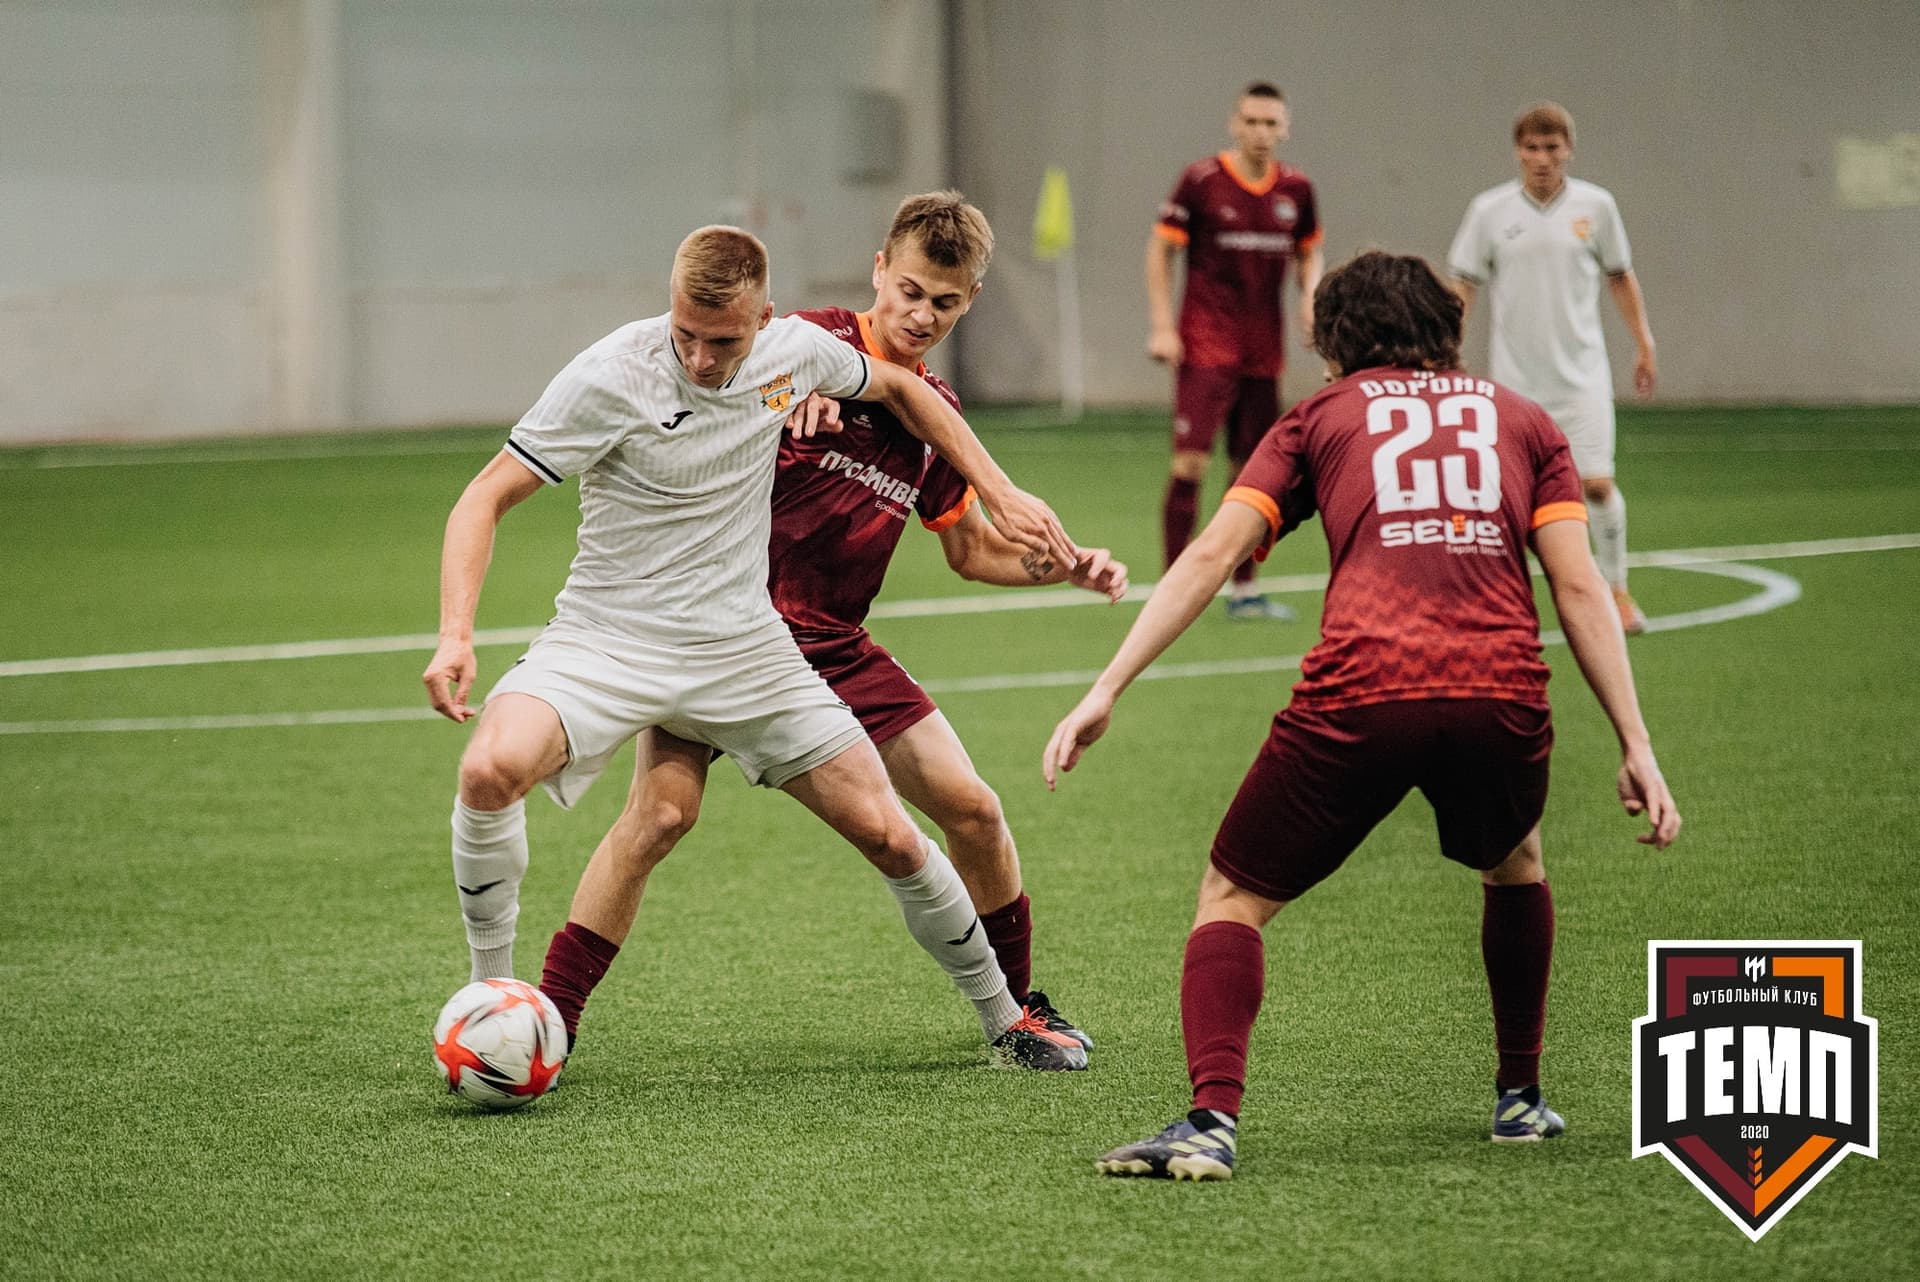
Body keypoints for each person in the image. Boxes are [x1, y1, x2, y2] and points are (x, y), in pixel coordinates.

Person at [1044, 250, 1680, 1180]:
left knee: (1233, 896)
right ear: (1448, 334)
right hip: (1499, 691)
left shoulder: (1319, 418)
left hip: (1363, 688)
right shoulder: (1527, 421)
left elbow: (1214, 554)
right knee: (1514, 864)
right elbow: (1579, 588)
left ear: (1333, 343)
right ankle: (1520, 1099)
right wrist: (1637, 742)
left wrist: (1108, 686)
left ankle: (1211, 1122)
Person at [422, 224, 1088, 1072]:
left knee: (890, 833)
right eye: (686, 335)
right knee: (490, 771)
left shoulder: (795, 354)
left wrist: (1002, 490)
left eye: (725, 340)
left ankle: (1006, 1019)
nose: (700, 359)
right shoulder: (608, 373)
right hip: (606, 638)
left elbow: (906, 393)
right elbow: (482, 498)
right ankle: (497, 1008)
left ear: (764, 321)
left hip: (744, 648)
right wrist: (455, 635)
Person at [1448, 101, 1659, 633]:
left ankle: (1616, 590)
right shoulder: (1489, 211)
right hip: (1514, 384)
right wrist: (1447, 348)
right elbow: (1465, 285)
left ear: (1569, 150)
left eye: (1552, 147)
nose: (1542, 158)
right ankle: (1504, 603)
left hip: (1583, 377)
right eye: (1532, 148)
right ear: (1517, 151)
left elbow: (1620, 276)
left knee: (1598, 485)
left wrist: (1644, 342)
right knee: (1504, 499)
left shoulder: (1598, 207)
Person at [1147, 80, 1323, 620]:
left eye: (1271, 123)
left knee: (1252, 472)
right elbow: (1161, 253)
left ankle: (1244, 591)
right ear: (1234, 123)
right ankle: (1175, 589)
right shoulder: (1201, 182)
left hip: (1262, 352)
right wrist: (1162, 326)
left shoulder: (1297, 190)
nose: (1261, 132)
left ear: (1285, 128)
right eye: (1252, 121)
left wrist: (1310, 300)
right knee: (1191, 464)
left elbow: (1310, 254)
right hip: (1205, 346)